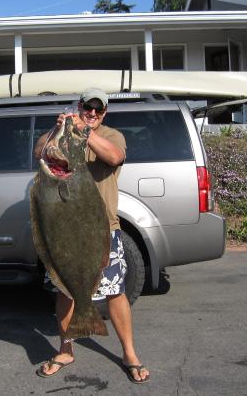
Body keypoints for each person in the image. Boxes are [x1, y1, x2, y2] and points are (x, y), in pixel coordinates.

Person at [33, 87, 150, 384]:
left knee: (115, 291)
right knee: (65, 290)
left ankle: (129, 354)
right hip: (64, 232)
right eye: (88, 107)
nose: (93, 113)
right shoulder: (64, 133)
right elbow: (39, 153)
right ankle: (66, 349)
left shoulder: (111, 135)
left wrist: (85, 131)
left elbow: (114, 157)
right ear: (80, 105)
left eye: (99, 109)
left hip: (103, 231)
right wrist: (58, 129)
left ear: (105, 113)